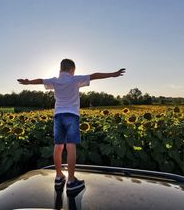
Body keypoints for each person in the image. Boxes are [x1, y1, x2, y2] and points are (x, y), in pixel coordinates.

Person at [17, 59, 125, 191]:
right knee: (71, 146)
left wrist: (28, 82)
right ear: (72, 70)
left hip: (58, 116)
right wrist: (112, 74)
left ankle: (58, 176)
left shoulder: (55, 81)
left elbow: (41, 80)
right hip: (72, 115)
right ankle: (71, 181)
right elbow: (94, 75)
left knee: (58, 146)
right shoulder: (75, 80)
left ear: (60, 69)